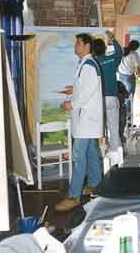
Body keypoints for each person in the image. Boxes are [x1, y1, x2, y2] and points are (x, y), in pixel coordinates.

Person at [55, 33, 103, 212]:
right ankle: (94, 184)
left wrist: (71, 104)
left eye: (78, 43)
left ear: (87, 46)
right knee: (91, 152)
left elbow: (88, 91)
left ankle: (73, 196)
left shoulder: (89, 65)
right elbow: (85, 87)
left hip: (86, 119)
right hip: (87, 120)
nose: (75, 45)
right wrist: (73, 89)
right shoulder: (86, 64)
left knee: (78, 157)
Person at [93, 31, 123, 167]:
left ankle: (101, 157)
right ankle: (116, 158)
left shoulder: (93, 63)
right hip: (112, 98)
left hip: (98, 100)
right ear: (105, 49)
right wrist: (113, 39)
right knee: (114, 128)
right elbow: (120, 53)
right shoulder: (111, 59)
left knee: (99, 129)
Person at [118, 40, 140, 126]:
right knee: (129, 99)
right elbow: (138, 68)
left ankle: (122, 118)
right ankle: (128, 120)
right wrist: (138, 75)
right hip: (129, 78)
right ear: (136, 47)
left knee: (122, 98)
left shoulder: (122, 51)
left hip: (121, 77)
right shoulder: (134, 54)